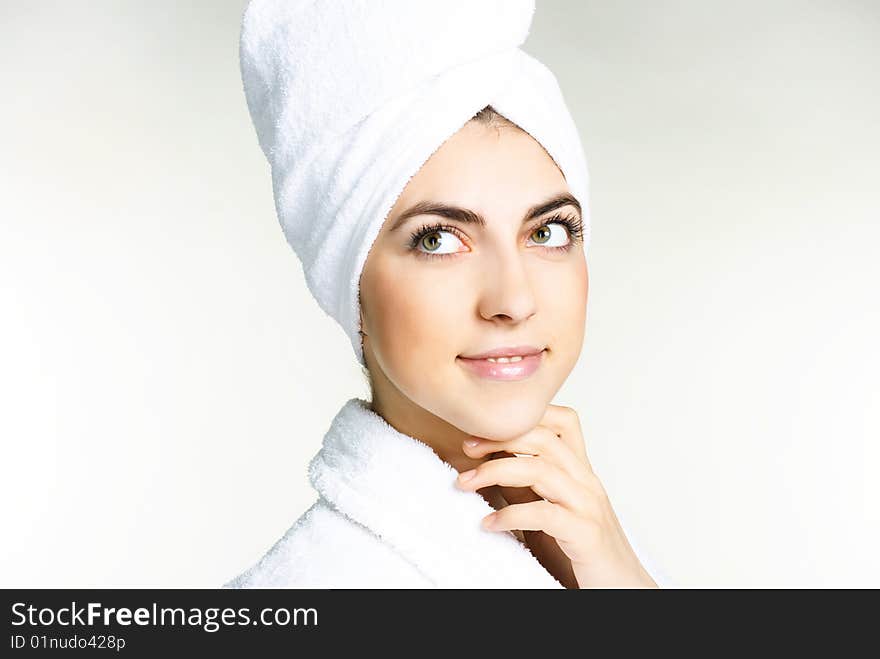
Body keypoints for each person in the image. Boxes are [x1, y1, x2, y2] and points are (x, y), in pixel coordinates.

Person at [225, 0, 672, 589]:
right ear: (349, 280)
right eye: (437, 239)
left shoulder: (582, 544)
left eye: (547, 231)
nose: (512, 299)